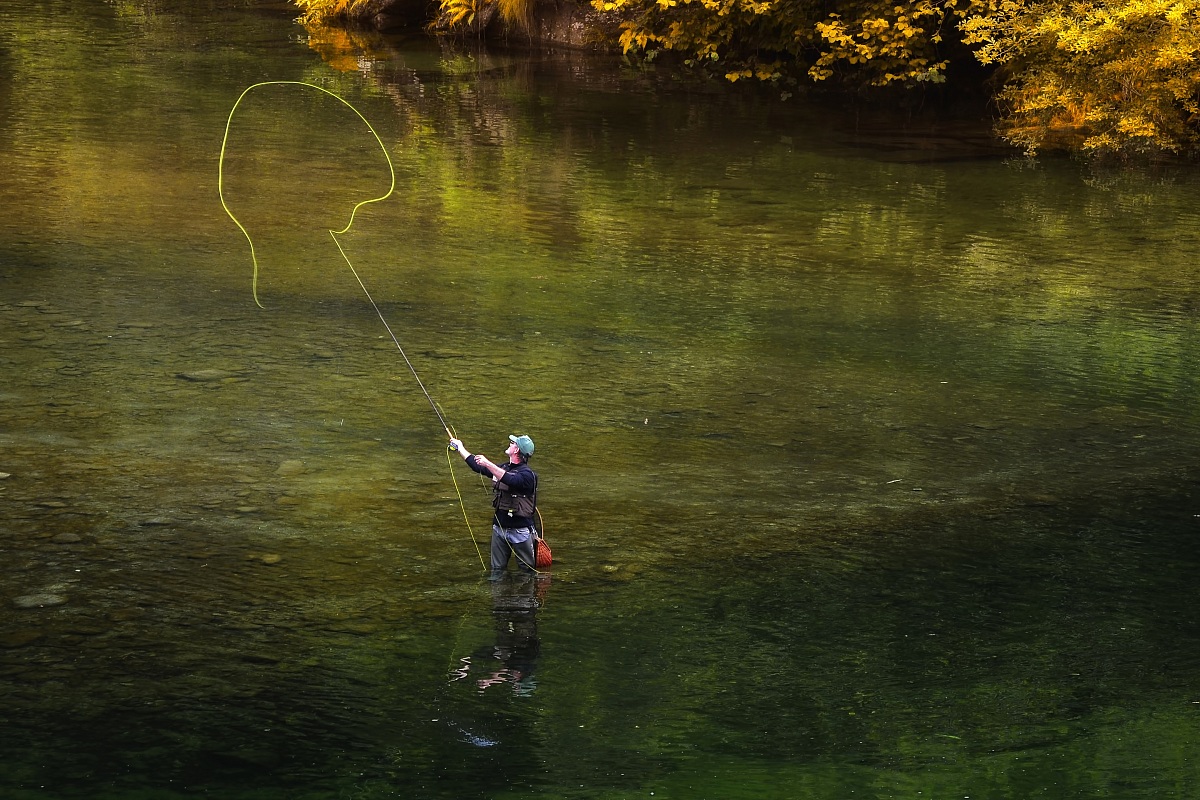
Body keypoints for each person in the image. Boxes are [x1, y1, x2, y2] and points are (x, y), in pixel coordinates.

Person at [448, 433, 539, 574]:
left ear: (516, 450)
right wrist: (460, 448)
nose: (510, 443)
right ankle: (499, 594)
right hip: (499, 528)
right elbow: (477, 466)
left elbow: (511, 480)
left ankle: (524, 596)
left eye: (513, 443)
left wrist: (488, 463)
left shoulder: (528, 475)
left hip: (521, 531)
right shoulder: (504, 467)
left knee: (526, 572)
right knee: (497, 571)